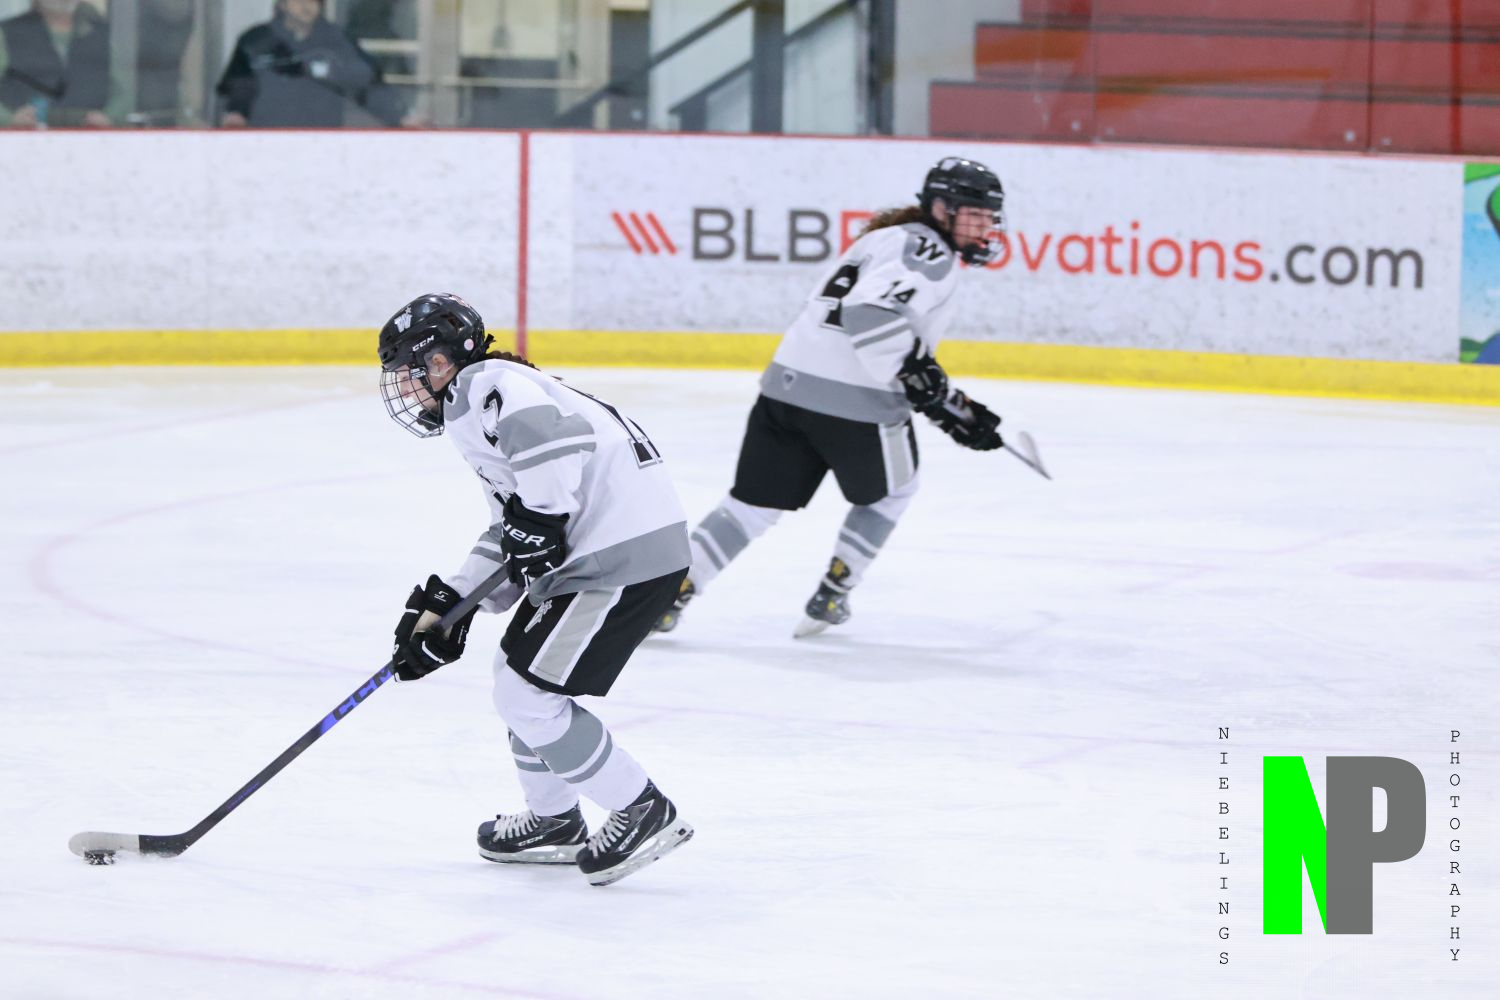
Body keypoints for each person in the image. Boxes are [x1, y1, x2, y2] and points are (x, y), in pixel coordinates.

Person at [377, 293, 694, 887]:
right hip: (615, 548)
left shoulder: (485, 385)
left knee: (526, 696)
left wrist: (541, 519)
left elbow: (554, 453)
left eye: (408, 373)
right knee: (516, 678)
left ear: (439, 362)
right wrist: (452, 603)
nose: (406, 389)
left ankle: (641, 808)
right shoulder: (486, 398)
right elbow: (513, 524)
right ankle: (555, 820)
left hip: (619, 555)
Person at [656, 157, 1009, 638]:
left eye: (990, 216)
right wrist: (937, 396)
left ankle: (669, 596)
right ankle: (833, 591)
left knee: (751, 505)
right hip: (857, 402)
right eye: (976, 214)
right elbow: (869, 313)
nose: (986, 226)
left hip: (786, 386)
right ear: (941, 208)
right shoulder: (933, 254)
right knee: (895, 491)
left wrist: (940, 395)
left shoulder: (883, 237)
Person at [217, 0, 414, 128]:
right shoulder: (255, 41)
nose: (307, 6)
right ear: (282, 4)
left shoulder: (338, 42)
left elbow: (367, 85)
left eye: (314, 0)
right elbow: (238, 85)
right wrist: (236, 113)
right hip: (267, 139)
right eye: (299, 0)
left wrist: (399, 117)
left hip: (323, 140)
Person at [0, 0, 124, 128]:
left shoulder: (105, 33)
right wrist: (9, 119)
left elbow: (124, 89)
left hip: (96, 136)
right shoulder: (7, 31)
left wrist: (109, 117)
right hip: (22, 136)